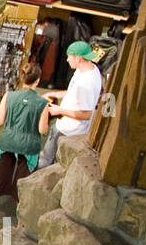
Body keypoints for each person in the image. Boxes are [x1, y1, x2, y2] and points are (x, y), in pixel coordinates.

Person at [0, 62, 48, 212]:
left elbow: (0, 121)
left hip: (7, 141)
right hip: (29, 146)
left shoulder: (9, 96)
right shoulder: (43, 103)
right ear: (37, 80)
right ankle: (20, 222)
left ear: (22, 77)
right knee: (23, 182)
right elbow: (42, 129)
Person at [38, 41, 102, 169]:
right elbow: (73, 91)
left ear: (78, 58)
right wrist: (55, 94)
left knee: (50, 161)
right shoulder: (87, 69)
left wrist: (60, 110)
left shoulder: (86, 84)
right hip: (64, 127)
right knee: (47, 157)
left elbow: (87, 114)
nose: (67, 60)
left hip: (69, 131)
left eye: (69, 57)